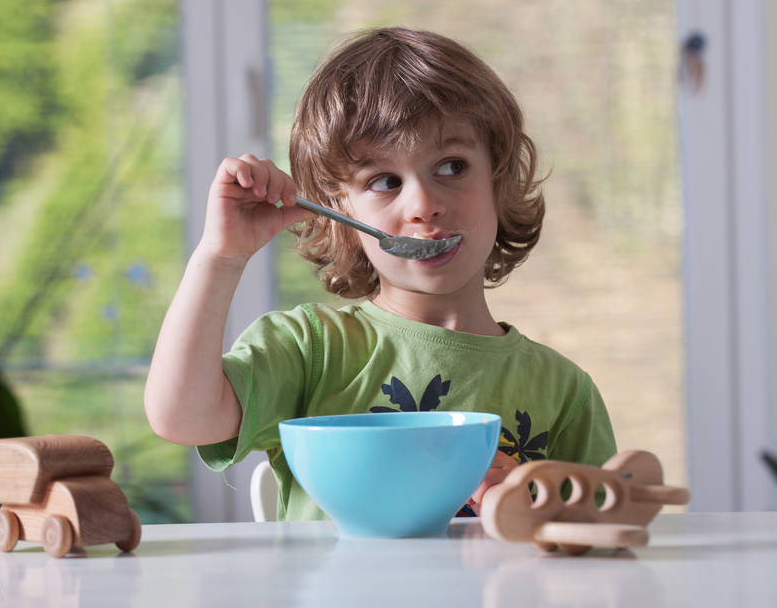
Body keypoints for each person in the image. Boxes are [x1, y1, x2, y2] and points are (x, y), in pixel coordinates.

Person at [144, 27, 616, 521]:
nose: (425, 206)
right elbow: (181, 416)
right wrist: (221, 257)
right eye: (385, 181)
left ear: (499, 179)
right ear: (337, 212)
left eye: (452, 167)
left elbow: (608, 531)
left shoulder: (563, 390)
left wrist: (536, 502)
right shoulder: (310, 350)